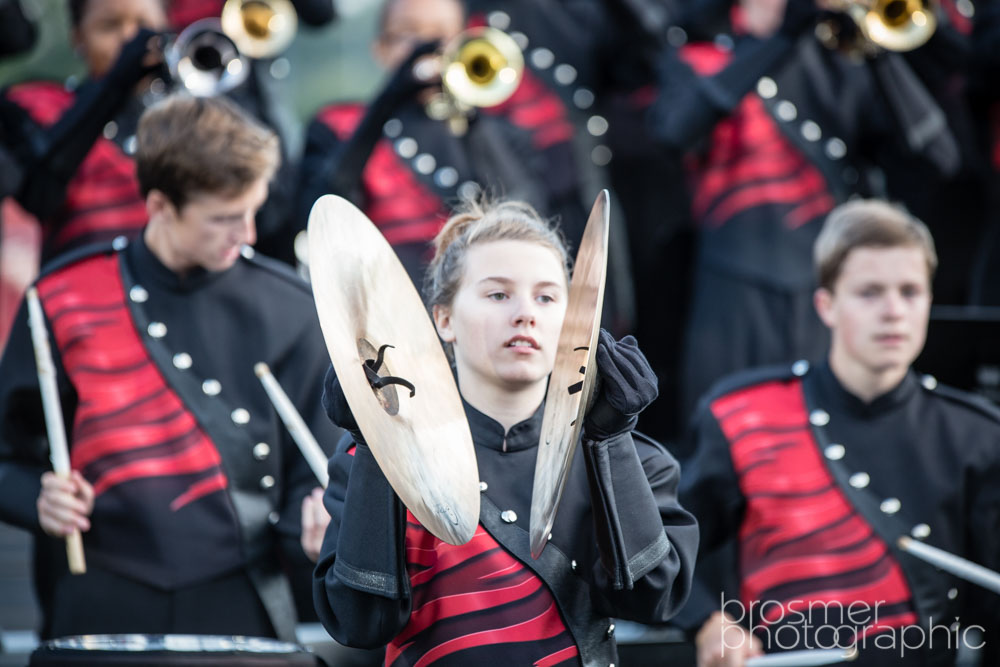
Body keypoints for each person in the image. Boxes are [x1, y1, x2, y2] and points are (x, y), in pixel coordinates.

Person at [0, 94, 338, 641]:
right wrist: (36, 495)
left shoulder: (294, 309)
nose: (248, 233)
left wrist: (320, 518)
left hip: (244, 601)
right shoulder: (62, 297)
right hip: (95, 599)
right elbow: (6, 459)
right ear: (160, 205)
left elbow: (317, 478)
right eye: (225, 218)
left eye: (253, 210)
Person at [310, 198, 699, 664]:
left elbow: (652, 599)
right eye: (498, 294)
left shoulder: (634, 457)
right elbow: (358, 622)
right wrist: (377, 443)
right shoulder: (368, 459)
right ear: (444, 319)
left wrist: (611, 442)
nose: (525, 313)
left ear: (572, 319)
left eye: (547, 297)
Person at [676, 199, 1000, 666]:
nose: (893, 311)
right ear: (825, 305)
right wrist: (709, 622)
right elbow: (665, 553)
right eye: (869, 292)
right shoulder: (743, 415)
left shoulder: (978, 436)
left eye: (910, 292)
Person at [649, 0, 963, 432]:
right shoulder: (699, 51)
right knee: (724, 436)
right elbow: (675, 130)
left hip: (828, 291)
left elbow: (938, 158)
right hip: (732, 292)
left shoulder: (839, 60)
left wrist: (878, 51)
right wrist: (781, 36)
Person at [0, 0, 298, 267]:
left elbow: (270, 215)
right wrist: (114, 85)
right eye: (109, 26)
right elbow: (39, 196)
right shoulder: (41, 105)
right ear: (77, 37)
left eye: (143, 25)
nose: (130, 38)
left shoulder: (196, 115)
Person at [297, 0, 562, 287]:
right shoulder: (339, 125)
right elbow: (322, 214)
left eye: (442, 35)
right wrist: (388, 102)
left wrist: (469, 114)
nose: (426, 47)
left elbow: (525, 217)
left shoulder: (505, 132)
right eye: (407, 33)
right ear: (380, 49)